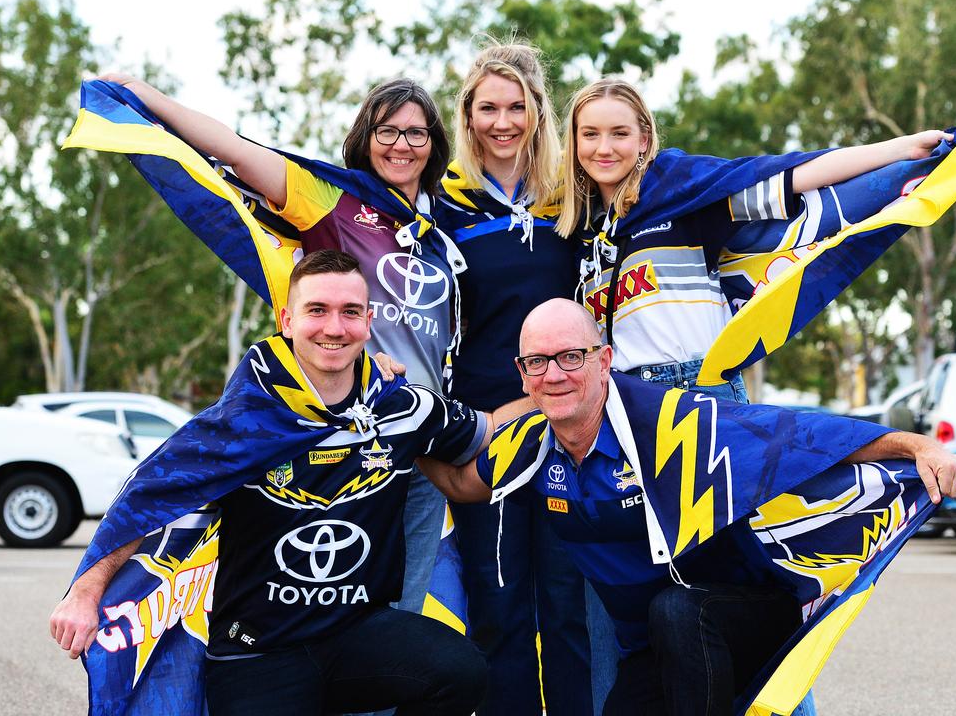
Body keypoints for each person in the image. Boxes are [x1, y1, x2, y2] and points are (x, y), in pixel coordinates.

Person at [420, 297, 956, 716]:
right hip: (654, 647)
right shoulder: (528, 445)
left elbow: (802, 439)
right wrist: (399, 425)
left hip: (744, 615)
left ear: (605, 360)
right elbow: (465, 484)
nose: (555, 374)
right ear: (522, 374)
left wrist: (916, 446)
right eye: (538, 362)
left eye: (571, 356)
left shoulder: (672, 422)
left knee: (676, 609)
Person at [50, 249, 491, 715]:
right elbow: (145, 499)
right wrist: (85, 591)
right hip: (257, 650)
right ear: (286, 319)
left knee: (460, 672)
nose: (335, 328)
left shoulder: (403, 408)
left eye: (350, 312)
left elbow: (487, 435)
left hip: (357, 636)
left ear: (369, 320)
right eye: (317, 310)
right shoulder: (240, 421)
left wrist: (555, 400)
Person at [97, 73, 459, 617]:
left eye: (416, 133)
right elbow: (235, 150)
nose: (401, 145)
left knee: (403, 620)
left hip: (420, 444)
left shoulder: (442, 227)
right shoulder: (329, 198)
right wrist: (146, 95)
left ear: (434, 144)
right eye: (387, 131)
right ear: (365, 137)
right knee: (336, 615)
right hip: (349, 447)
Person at [555, 78, 953, 402]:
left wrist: (899, 149)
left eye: (619, 133)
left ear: (643, 139)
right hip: (622, 401)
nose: (603, 148)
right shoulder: (579, 230)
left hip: (700, 391)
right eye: (590, 134)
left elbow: (793, 175)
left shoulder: (685, 194)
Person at [433, 41, 611, 715]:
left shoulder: (573, 197)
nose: (501, 122)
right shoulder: (441, 204)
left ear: (538, 113)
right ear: (468, 115)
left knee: (567, 607)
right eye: (487, 108)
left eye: (516, 107)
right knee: (501, 608)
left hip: (571, 427)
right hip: (488, 429)